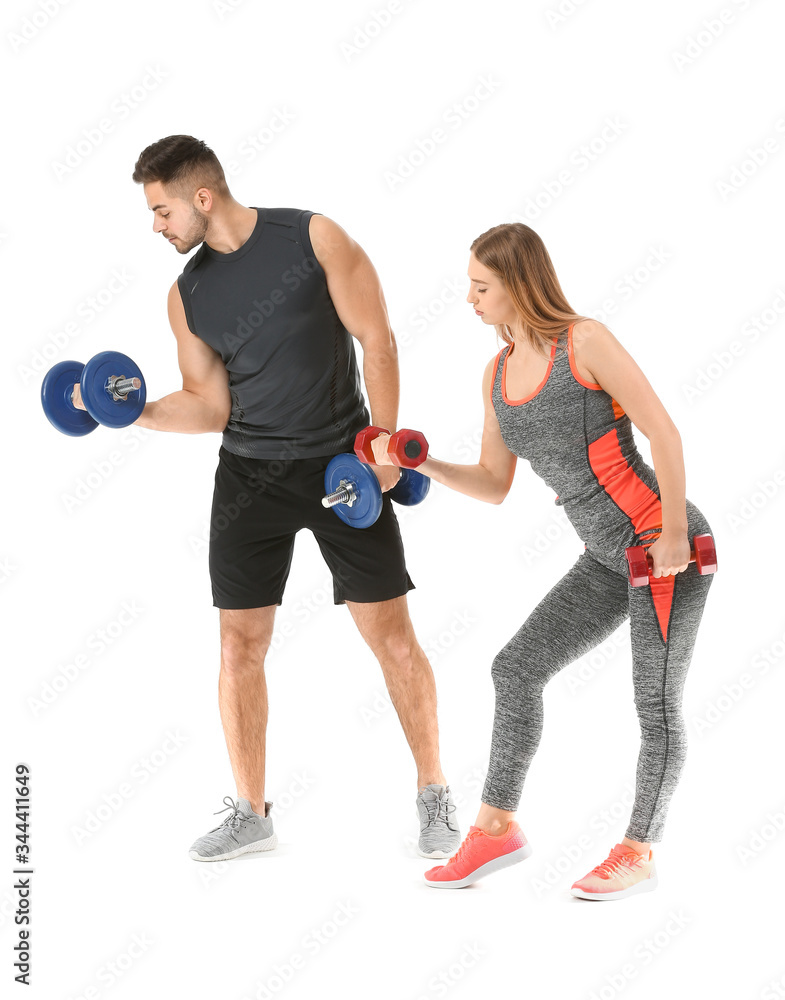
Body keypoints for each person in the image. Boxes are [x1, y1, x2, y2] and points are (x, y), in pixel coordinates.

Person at [74, 134, 460, 862]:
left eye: (160, 210)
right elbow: (207, 406)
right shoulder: (186, 294)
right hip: (249, 475)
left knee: (390, 636)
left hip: (340, 463)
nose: (156, 226)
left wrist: (378, 446)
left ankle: (434, 794)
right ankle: (252, 813)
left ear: (201, 196)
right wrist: (131, 411)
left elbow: (376, 340)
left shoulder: (313, 237)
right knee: (237, 643)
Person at [370, 222, 716, 899]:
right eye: (469, 285)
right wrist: (420, 462)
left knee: (654, 702)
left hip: (661, 550)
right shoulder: (496, 375)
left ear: (518, 285)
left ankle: (637, 850)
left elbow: (663, 432)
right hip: (604, 558)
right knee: (516, 667)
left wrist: (673, 532)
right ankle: (495, 828)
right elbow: (493, 485)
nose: (469, 299)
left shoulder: (583, 342)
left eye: (481, 286)